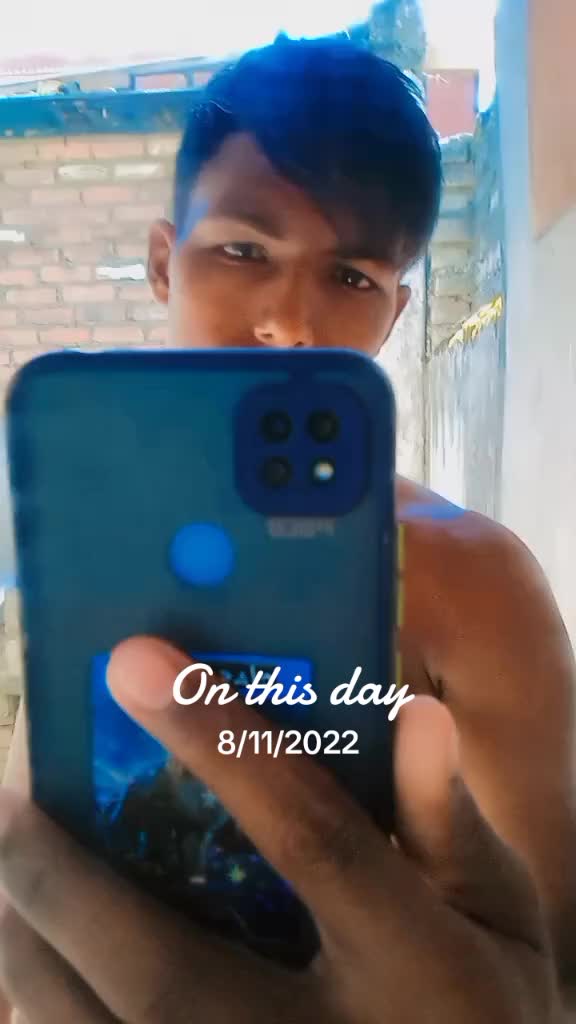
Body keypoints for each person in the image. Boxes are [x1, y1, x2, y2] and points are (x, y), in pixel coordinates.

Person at [1, 34, 575, 1019]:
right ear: (162, 264)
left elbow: (550, 961)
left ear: (392, 314)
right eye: (243, 250)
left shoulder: (474, 580)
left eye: (350, 277)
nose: (289, 324)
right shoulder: (86, 525)